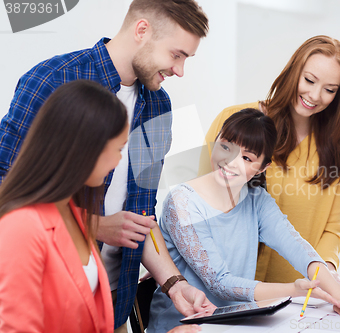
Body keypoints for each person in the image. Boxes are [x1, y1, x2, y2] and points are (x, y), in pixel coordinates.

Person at [0, 0, 212, 331]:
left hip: (113, 302)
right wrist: (94, 226)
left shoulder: (158, 106)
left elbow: (142, 216)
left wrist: (174, 284)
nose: (180, 70)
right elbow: (7, 192)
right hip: (51, 303)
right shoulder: (54, 80)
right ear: (142, 30)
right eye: (176, 54)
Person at [149, 108, 340, 332]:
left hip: (236, 324)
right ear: (215, 140)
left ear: (262, 168)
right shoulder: (182, 203)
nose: (230, 162)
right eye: (226, 146)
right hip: (183, 326)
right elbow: (219, 283)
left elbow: (297, 247)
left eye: (247, 158)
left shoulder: (257, 200)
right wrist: (293, 289)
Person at [198, 35, 340, 290]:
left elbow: (332, 227)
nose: (315, 95)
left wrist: (326, 268)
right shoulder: (233, 120)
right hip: (220, 287)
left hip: (294, 294)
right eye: (309, 80)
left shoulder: (337, 150)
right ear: (293, 71)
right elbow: (196, 202)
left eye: (329, 90)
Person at [0, 80, 122, 332]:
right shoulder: (21, 228)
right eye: (119, 148)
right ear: (87, 149)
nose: (119, 160)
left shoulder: (72, 213)